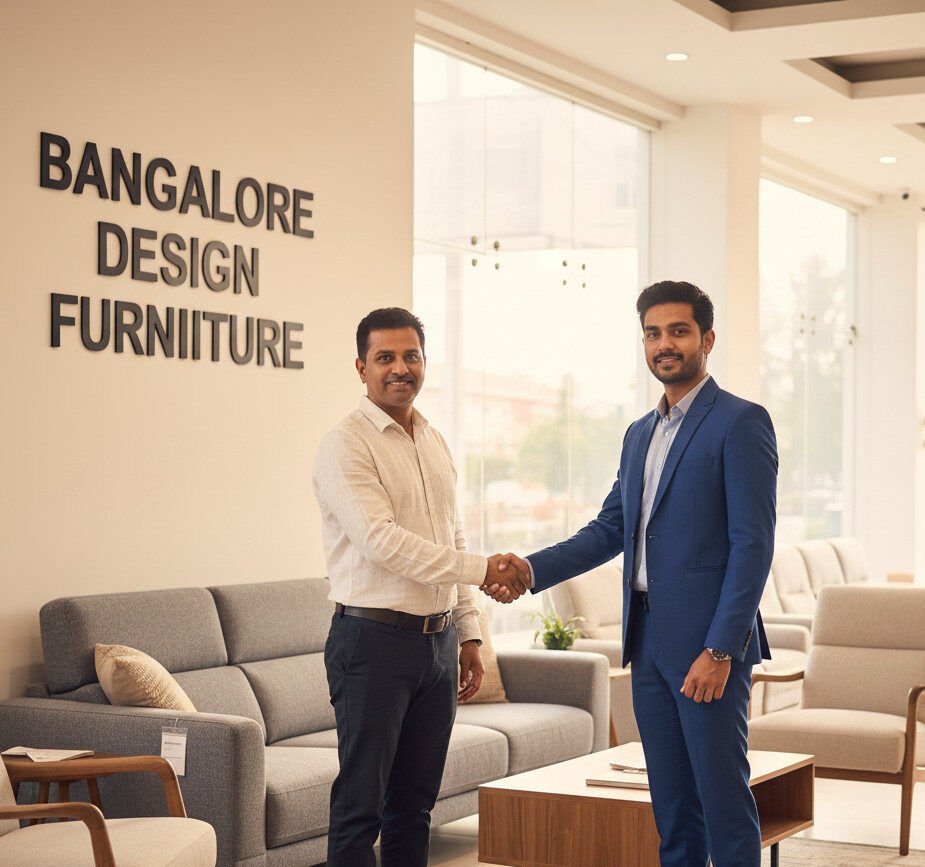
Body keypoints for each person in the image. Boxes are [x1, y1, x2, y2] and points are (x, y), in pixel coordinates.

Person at [484, 281, 777, 866]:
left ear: (707, 339)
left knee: (722, 800)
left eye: (678, 331)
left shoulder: (741, 422)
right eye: (652, 333)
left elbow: (753, 546)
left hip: (707, 647)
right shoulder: (638, 434)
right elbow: (610, 529)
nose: (664, 344)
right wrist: (530, 569)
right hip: (646, 643)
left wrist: (721, 649)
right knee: (671, 806)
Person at [313, 307, 528, 867]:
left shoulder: (432, 438)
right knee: (360, 806)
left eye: (411, 356)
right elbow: (381, 541)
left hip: (437, 644)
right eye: (385, 357)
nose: (400, 368)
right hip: (372, 644)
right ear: (361, 367)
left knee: (414, 807)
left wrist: (469, 633)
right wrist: (484, 569)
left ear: (424, 361)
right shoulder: (346, 444)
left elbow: (452, 536)